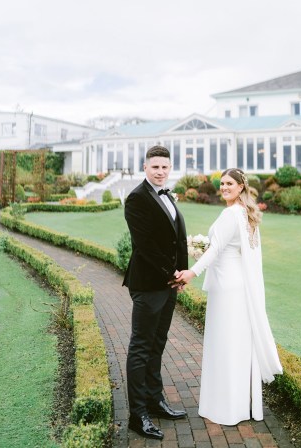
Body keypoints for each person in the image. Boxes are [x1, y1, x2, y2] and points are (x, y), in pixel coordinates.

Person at [173, 168, 282, 426]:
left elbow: (216, 250)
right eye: (222, 183)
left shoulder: (230, 214)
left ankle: (223, 408)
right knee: (236, 346)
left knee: (224, 345)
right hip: (240, 288)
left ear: (241, 187)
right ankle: (238, 407)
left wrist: (192, 271)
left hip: (226, 289)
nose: (224, 187)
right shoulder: (247, 215)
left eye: (229, 183)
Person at [123, 145, 188, 440]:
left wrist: (182, 273)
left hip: (169, 284)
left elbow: (176, 239)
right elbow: (145, 245)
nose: (160, 171)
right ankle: (138, 415)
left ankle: (154, 399)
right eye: (155, 167)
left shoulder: (166, 193)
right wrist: (171, 273)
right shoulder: (137, 198)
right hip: (149, 284)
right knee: (141, 347)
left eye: (165, 167)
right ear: (145, 167)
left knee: (157, 344)